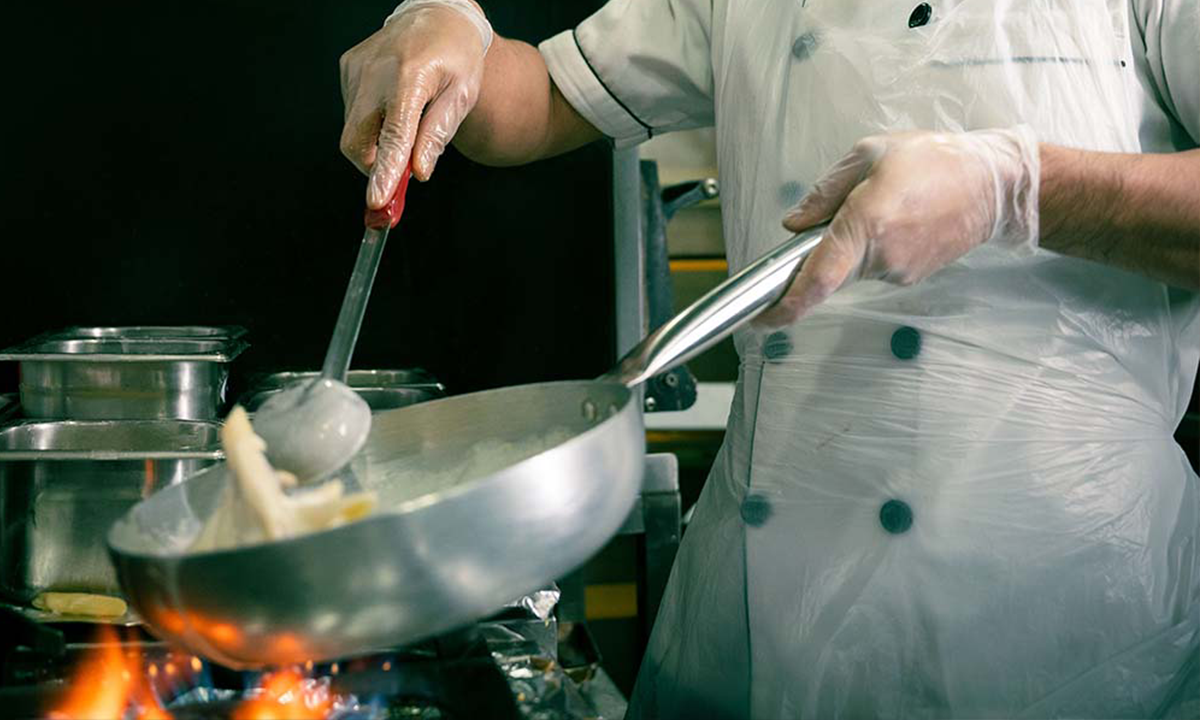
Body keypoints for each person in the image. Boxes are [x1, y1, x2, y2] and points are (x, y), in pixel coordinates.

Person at [339, 0, 1200, 716]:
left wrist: (1014, 188)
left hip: (1069, 615)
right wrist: (456, 42)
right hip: (759, 616)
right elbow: (542, 102)